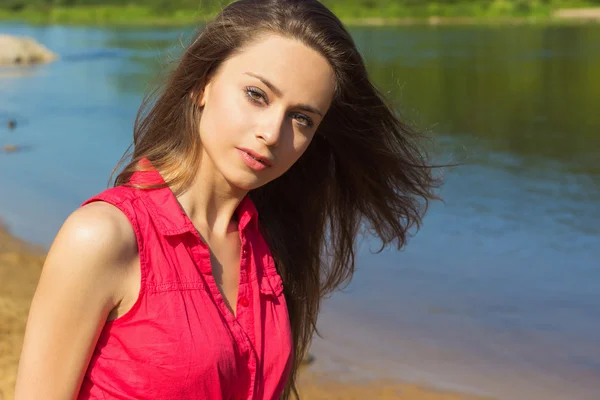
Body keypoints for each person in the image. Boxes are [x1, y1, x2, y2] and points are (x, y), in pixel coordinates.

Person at [14, 0, 440, 399]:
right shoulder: (105, 237)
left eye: (302, 118)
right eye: (257, 95)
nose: (273, 133)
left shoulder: (271, 245)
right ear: (204, 84)